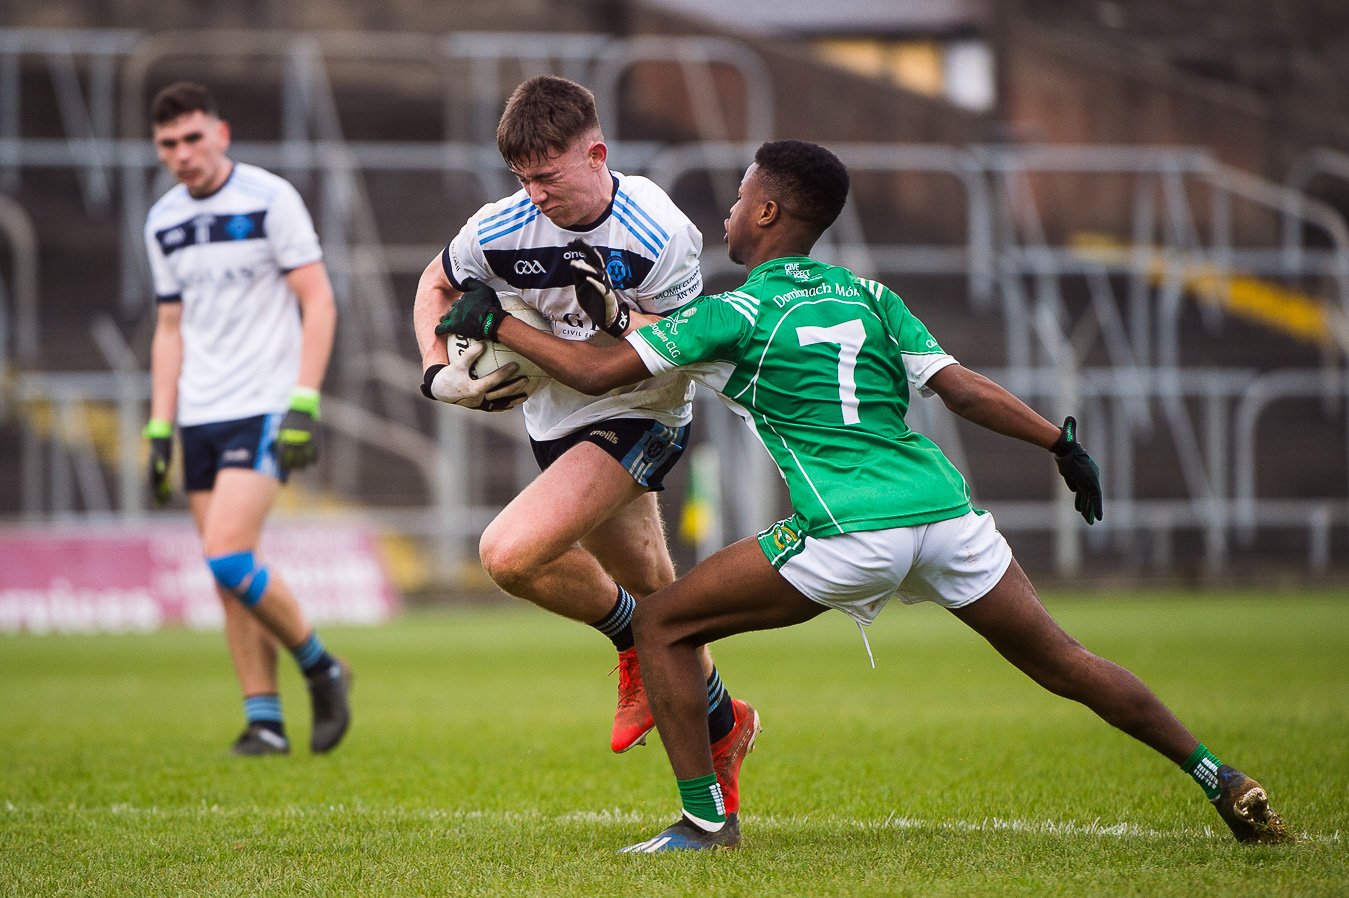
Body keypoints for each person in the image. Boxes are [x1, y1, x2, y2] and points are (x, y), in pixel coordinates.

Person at [436, 139, 1291, 851]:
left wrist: (494, 321)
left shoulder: (731, 313)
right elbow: (960, 389)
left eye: (738, 200)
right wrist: (1058, 443)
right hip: (949, 518)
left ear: (767, 212)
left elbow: (592, 370)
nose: (727, 216)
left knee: (660, 625)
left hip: (848, 531)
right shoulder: (872, 297)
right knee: (1065, 662)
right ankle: (1222, 777)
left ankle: (704, 822)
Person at [412, 75, 756, 784]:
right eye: (522, 178)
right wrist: (435, 370)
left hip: (641, 410)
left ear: (596, 154)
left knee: (510, 555)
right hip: (554, 417)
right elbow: (435, 284)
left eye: (547, 176)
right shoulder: (499, 227)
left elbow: (693, 339)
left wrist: (620, 321)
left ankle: (635, 645)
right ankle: (723, 728)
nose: (534, 193)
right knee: (657, 592)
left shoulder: (656, 232)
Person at [142, 82, 351, 756]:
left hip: (263, 404)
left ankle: (321, 666)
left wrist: (303, 402)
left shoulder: (269, 199)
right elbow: (169, 328)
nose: (182, 153)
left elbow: (318, 302)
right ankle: (264, 719)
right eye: (169, 144)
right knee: (228, 576)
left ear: (221, 133)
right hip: (198, 414)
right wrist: (157, 425)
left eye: (193, 138)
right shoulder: (162, 220)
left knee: (228, 555)